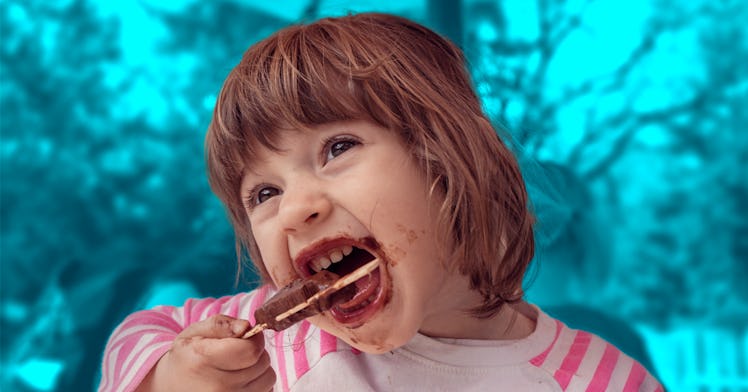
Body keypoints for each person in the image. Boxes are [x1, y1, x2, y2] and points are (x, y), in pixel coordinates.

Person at [98, 13, 663, 391]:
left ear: (449, 163)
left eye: (337, 148)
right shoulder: (278, 339)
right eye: (264, 193)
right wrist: (169, 378)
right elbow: (139, 331)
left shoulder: (600, 378)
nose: (295, 211)